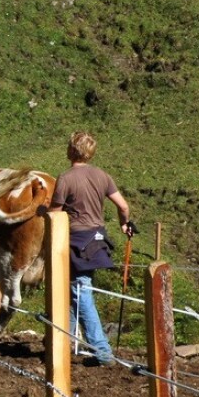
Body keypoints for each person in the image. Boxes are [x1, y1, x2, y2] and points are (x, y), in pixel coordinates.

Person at [49, 131, 131, 367]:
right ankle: (65, 343)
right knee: (75, 291)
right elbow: (123, 206)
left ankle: (102, 350)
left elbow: (55, 213)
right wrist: (124, 224)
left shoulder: (65, 178)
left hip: (76, 241)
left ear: (70, 151)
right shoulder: (103, 176)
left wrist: (42, 214)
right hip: (97, 240)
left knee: (81, 292)